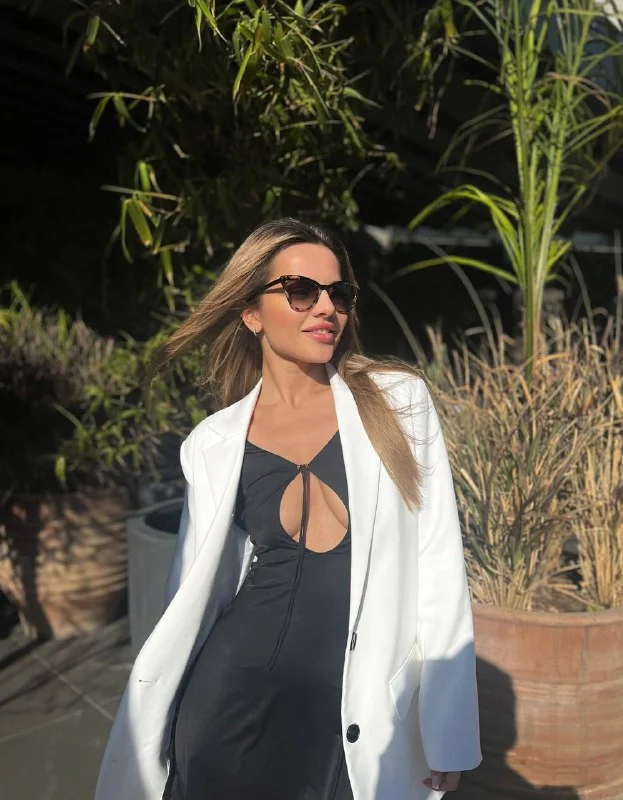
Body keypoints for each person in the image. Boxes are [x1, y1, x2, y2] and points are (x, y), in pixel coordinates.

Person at [94, 218, 481, 800]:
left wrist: (448, 728)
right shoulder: (212, 443)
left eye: (338, 293)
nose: (326, 307)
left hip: (353, 710)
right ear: (251, 313)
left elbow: (439, 566)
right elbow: (193, 598)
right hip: (232, 703)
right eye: (301, 291)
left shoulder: (397, 402)